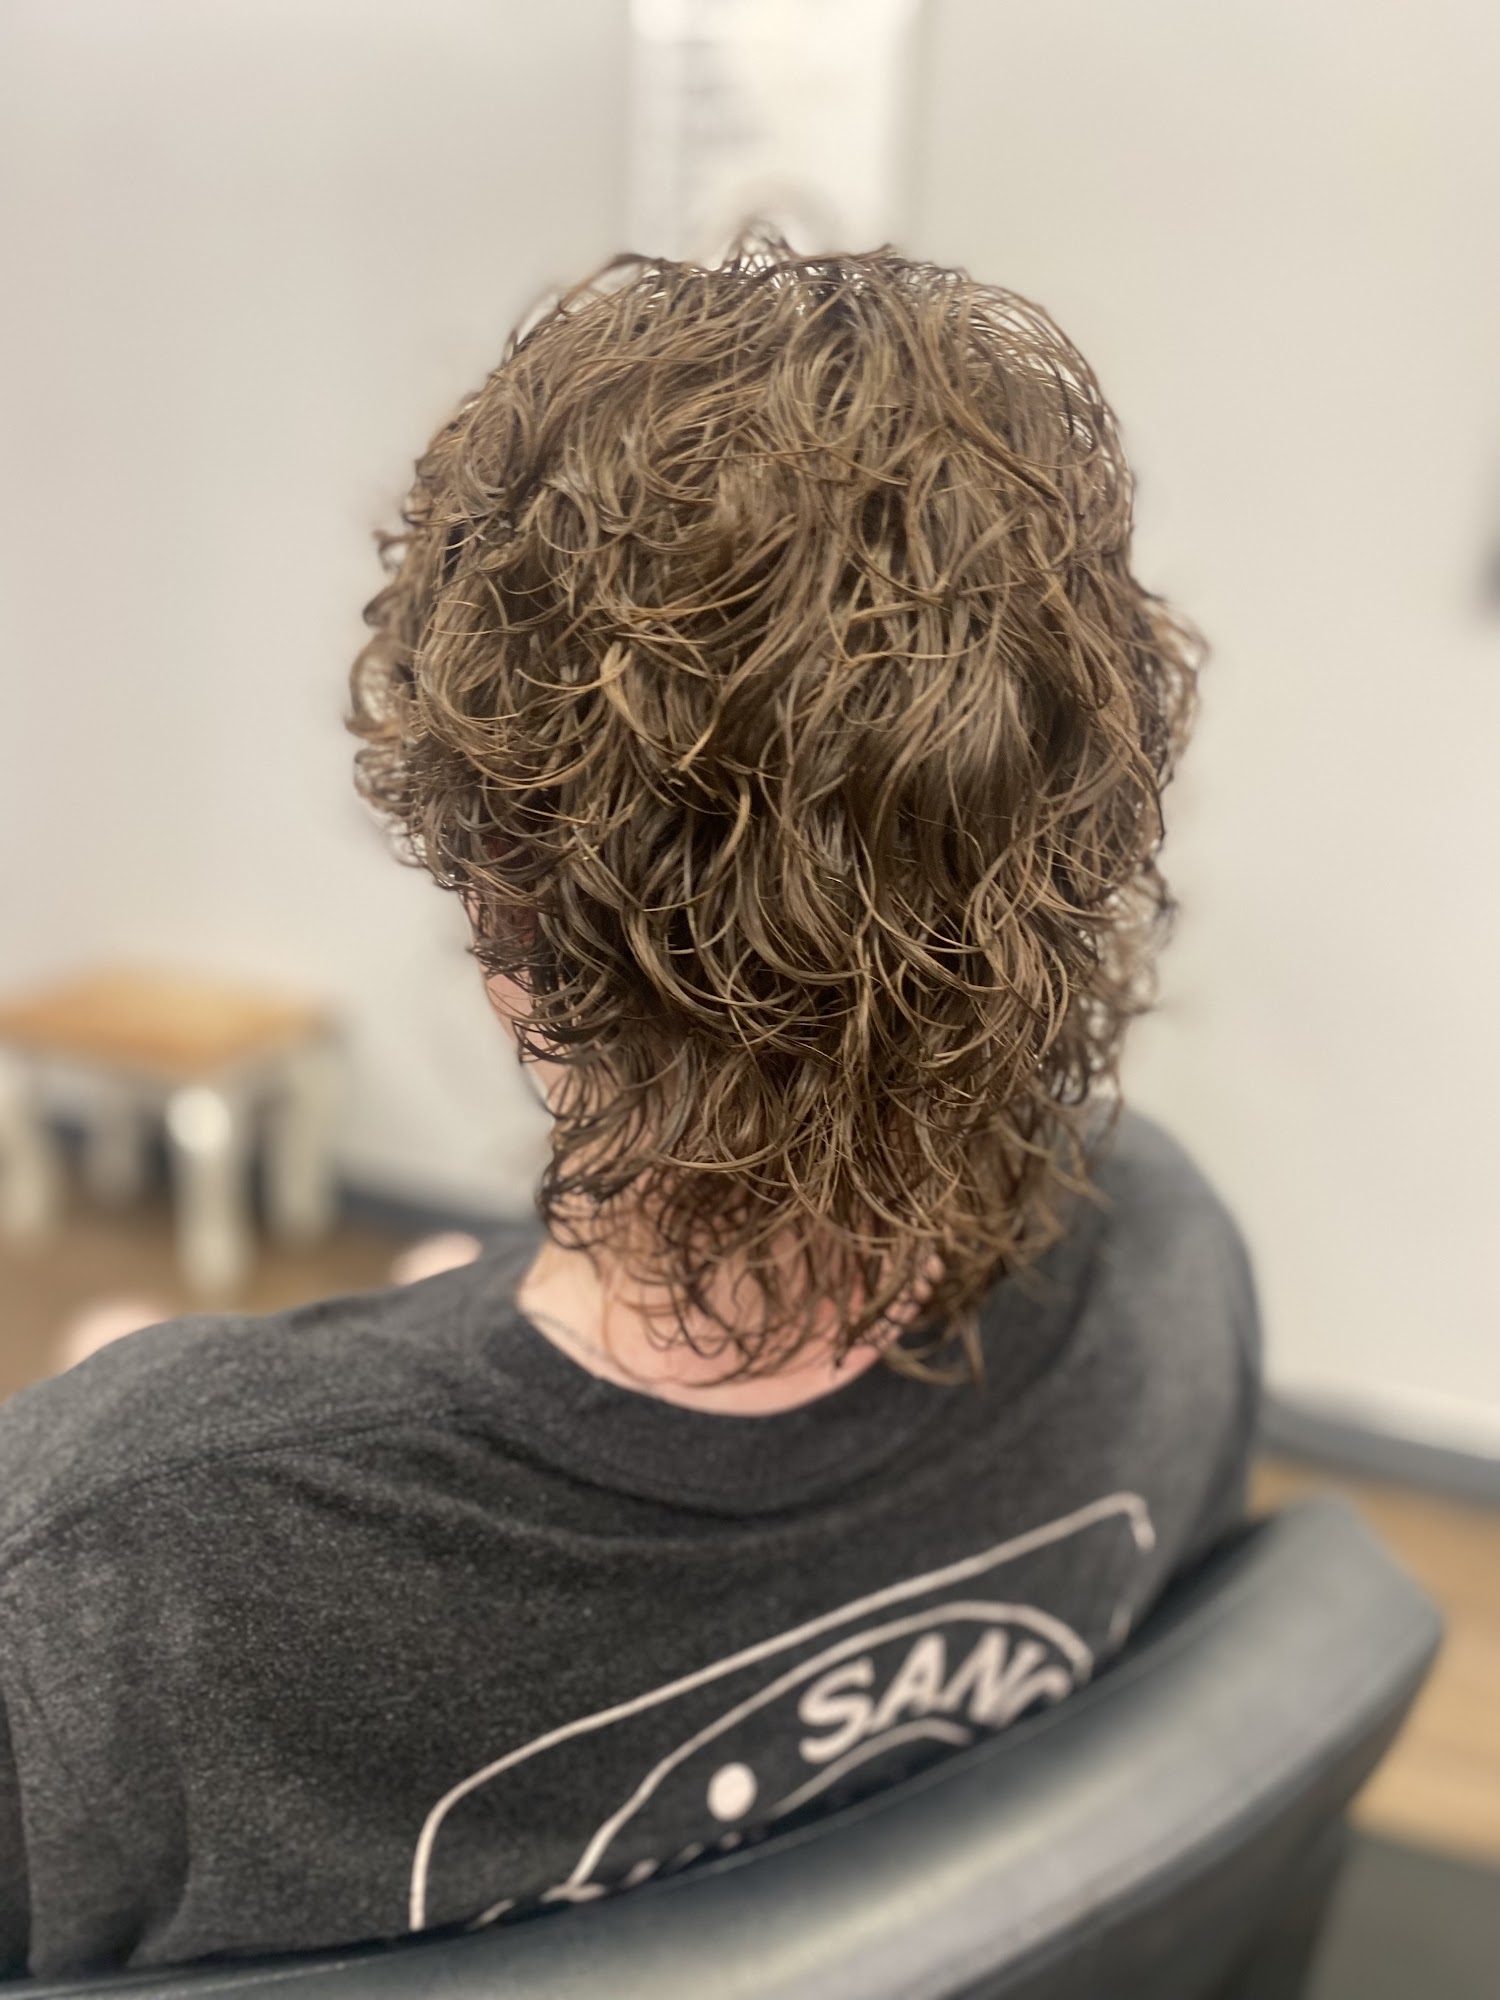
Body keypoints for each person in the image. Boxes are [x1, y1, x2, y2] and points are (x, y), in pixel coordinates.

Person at [0, 235, 1261, 1978]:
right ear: (1089, 827)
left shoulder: (125, 1574)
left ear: (500, 914)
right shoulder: (1171, 1268)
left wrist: (143, 1424)